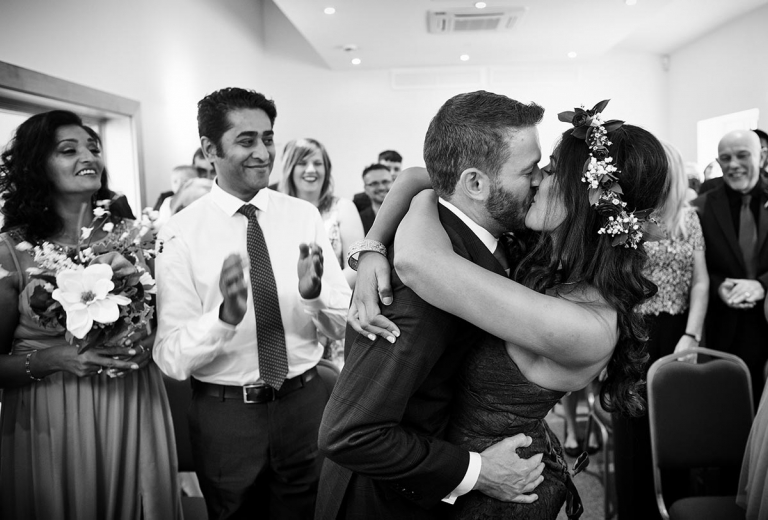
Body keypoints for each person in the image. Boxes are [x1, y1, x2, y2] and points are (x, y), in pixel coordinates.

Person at [333, 98, 669, 519]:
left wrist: (416, 207)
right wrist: (372, 244)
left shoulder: (585, 326)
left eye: (546, 172)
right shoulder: (550, 256)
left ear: (582, 200)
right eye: (533, 170)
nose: (538, 180)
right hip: (462, 479)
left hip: (504, 492)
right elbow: (419, 176)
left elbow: (418, 260)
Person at [317, 91, 550, 520]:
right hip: (384, 505)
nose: (540, 180)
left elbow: (413, 177)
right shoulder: (420, 289)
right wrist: (479, 472)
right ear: (475, 183)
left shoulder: (487, 235)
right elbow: (350, 433)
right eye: (529, 170)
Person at [153, 87, 351, 520]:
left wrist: (314, 294)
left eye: (268, 138)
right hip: (226, 416)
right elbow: (171, 358)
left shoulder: (303, 216)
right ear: (210, 149)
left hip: (304, 403)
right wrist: (224, 317)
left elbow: (341, 327)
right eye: (247, 141)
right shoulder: (179, 233)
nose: (263, 152)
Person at [0, 110, 181, 520]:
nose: (90, 157)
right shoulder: (11, 251)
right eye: (69, 150)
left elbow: (167, 323)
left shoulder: (136, 237)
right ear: (37, 166)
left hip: (132, 400)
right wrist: (54, 359)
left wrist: (146, 344)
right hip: (49, 414)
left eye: (94, 148)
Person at [612, 140, 709, 520]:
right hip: (634, 330)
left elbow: (700, 283)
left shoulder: (689, 217)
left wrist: (693, 335)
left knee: (677, 425)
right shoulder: (629, 218)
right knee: (634, 426)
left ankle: (678, 506)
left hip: (678, 331)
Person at [692, 129, 768, 406]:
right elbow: (696, 269)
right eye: (726, 158)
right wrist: (718, 286)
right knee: (727, 410)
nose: (733, 164)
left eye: (742, 155)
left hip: (766, 319)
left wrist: (763, 284)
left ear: (762, 157)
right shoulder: (701, 208)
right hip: (725, 328)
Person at [279, 138, 364, 288]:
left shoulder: (344, 208)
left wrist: (319, 291)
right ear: (290, 169)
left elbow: (356, 266)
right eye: (302, 163)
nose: (311, 169)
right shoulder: (277, 211)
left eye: (318, 163)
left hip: (336, 301)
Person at [358, 163, 393, 234]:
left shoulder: (409, 213)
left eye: (385, 182)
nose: (381, 187)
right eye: (374, 183)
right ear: (366, 189)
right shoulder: (358, 220)